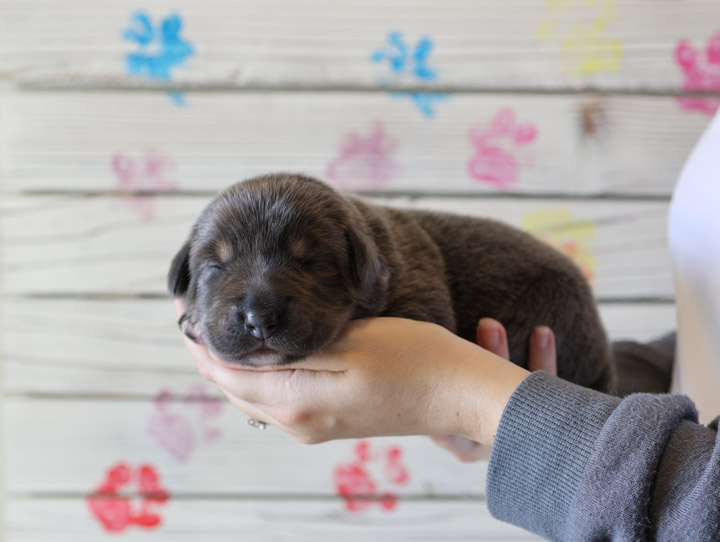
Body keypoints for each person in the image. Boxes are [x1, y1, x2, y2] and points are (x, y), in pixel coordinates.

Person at [173, 109, 720, 540]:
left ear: (367, 269)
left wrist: (498, 409)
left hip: (547, 302)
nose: (258, 308)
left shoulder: (393, 265)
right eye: (217, 268)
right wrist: (553, 416)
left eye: (311, 262)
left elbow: (429, 328)